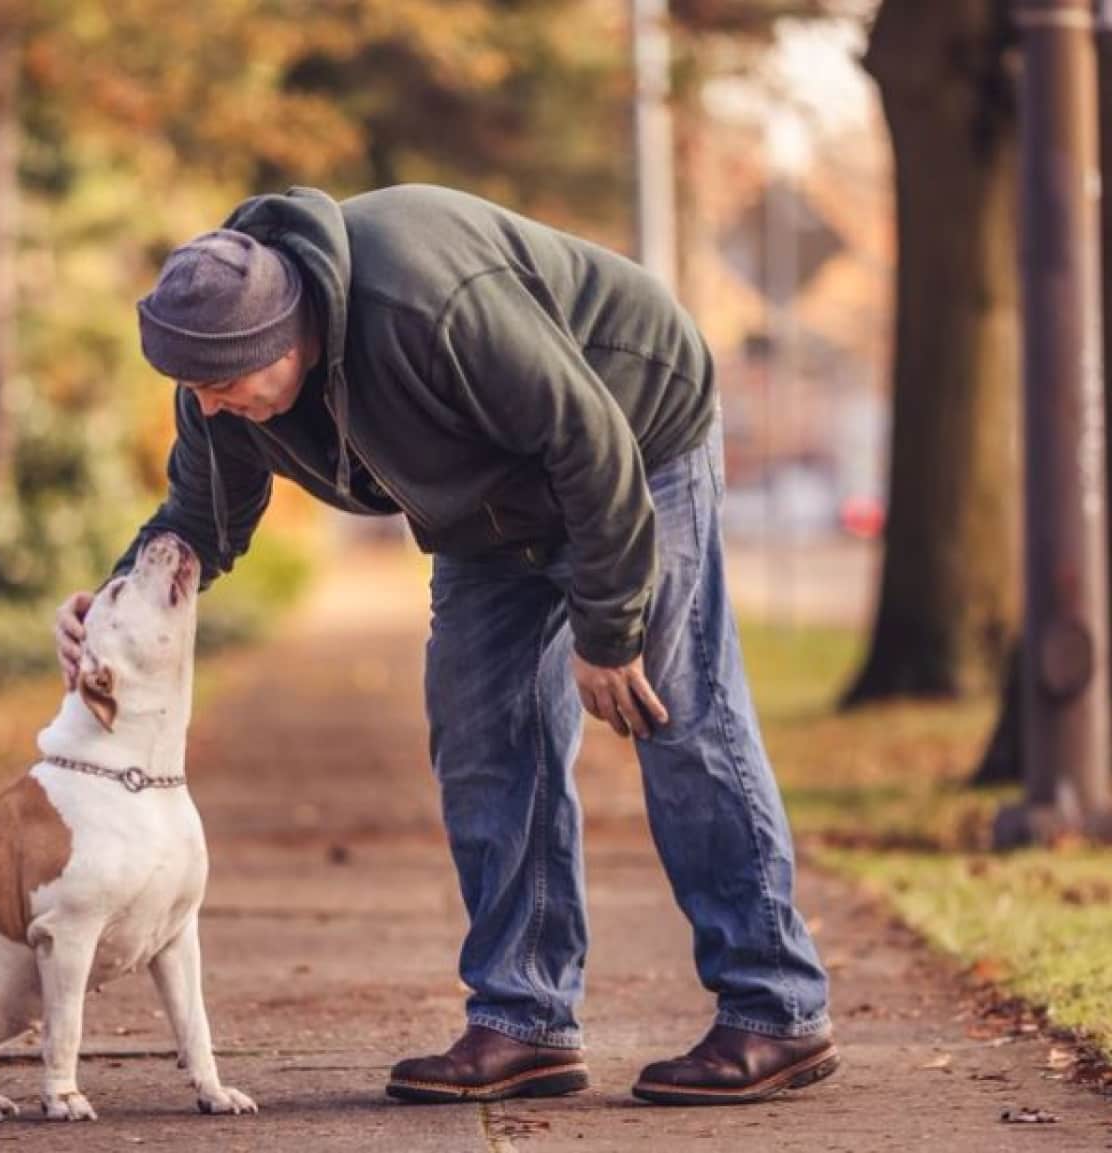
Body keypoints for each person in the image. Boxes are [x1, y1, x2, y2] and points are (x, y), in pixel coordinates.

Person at [54, 184, 836, 1106]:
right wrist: (106, 606)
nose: (212, 407)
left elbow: (590, 445)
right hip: (487, 512)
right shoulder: (223, 387)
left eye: (223, 384)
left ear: (285, 334)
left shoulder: (428, 304)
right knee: (482, 737)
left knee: (676, 710)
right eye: (194, 389)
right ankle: (525, 1020)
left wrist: (607, 630)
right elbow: (200, 518)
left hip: (636, 434)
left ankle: (775, 1006)